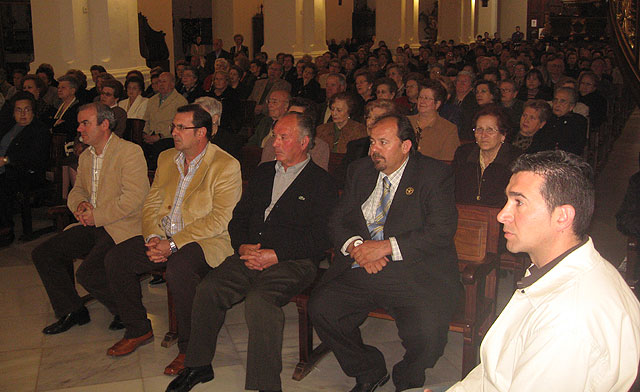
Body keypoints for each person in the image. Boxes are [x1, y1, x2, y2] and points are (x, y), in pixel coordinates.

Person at [166, 112, 338, 392]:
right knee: (210, 288)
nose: (276, 142)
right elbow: (239, 218)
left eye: (284, 137)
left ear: (305, 142)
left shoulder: (322, 183)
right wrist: (242, 245)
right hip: (249, 253)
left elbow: (321, 236)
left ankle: (266, 385)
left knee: (260, 302)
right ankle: (198, 365)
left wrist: (276, 254)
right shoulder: (263, 172)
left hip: (293, 261)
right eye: (274, 135)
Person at [448, 151, 640, 392]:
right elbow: (497, 368)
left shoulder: (568, 321)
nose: (501, 214)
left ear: (562, 217)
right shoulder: (560, 268)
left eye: (519, 202)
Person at [310, 113, 461, 392]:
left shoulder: (433, 174)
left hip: (412, 271)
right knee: (323, 308)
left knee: (428, 334)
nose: (373, 150)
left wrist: (384, 247)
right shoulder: (361, 170)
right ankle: (368, 368)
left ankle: (409, 376)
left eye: (382, 142)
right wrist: (357, 248)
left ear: (405, 146)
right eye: (371, 142)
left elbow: (441, 230)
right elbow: (337, 219)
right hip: (363, 266)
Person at [104, 104, 242, 373]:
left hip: (205, 240)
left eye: (181, 127)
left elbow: (220, 220)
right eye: (174, 126)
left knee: (179, 268)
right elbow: (151, 202)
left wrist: (173, 244)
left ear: (201, 132)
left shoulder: (226, 165)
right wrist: (155, 237)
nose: (174, 132)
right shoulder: (168, 157)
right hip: (165, 234)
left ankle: (189, 348)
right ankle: (138, 329)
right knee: (117, 258)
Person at [31, 103, 149, 335]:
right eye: (80, 123)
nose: (79, 128)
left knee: (88, 273)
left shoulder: (129, 152)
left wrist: (96, 215)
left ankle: (125, 312)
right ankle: (73, 309)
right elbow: (78, 191)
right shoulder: (86, 156)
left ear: (104, 125)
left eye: (85, 123)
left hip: (121, 224)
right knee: (44, 253)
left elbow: (135, 198)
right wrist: (80, 205)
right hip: (92, 223)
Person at [0, 92, 51, 246]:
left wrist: (6, 160)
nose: (22, 114)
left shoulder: (39, 130)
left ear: (33, 111)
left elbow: (34, 158)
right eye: (18, 110)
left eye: (27, 110)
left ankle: (5, 229)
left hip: (27, 172)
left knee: (2, 185)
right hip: (6, 169)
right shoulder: (9, 127)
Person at [453, 105, 520, 207]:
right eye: (479, 129)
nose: (483, 135)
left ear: (503, 135)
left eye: (490, 130)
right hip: (464, 215)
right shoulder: (463, 154)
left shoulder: (515, 158)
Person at [142, 71, 189, 169]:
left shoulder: (180, 101)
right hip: (150, 135)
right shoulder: (152, 100)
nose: (161, 84)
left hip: (168, 137)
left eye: (164, 81)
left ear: (172, 83)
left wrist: (160, 136)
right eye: (159, 82)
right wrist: (144, 134)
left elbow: (179, 125)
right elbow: (146, 119)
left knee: (158, 148)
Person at [408, 81, 459, 161]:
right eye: (420, 97)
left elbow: (448, 161)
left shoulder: (449, 129)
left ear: (437, 104)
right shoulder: (406, 121)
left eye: (427, 98)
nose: (422, 101)